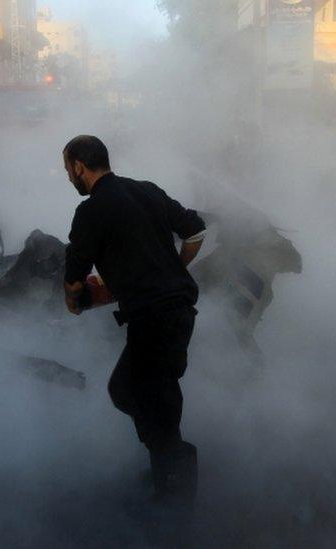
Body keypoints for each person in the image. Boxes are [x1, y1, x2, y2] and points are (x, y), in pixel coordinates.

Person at [61, 135, 207, 504]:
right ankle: (167, 461)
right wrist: (174, 267)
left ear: (79, 166)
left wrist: (74, 301)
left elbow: (75, 279)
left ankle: (175, 496)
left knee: (144, 398)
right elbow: (196, 230)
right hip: (176, 312)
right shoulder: (147, 190)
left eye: (67, 169)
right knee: (132, 392)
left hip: (155, 319)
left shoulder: (91, 210)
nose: (68, 177)